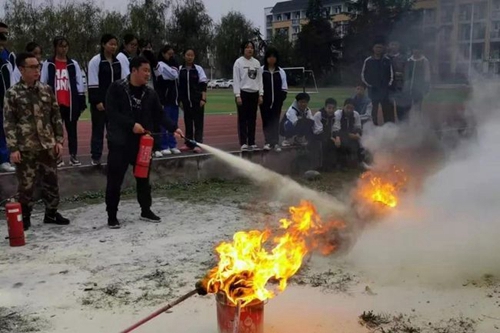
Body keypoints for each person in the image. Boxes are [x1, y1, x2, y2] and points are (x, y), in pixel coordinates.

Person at [104, 56, 184, 229]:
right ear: (134, 70)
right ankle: (112, 215)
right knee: (115, 179)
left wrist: (174, 128)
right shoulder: (116, 88)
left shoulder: (150, 93)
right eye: (145, 71)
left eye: (149, 71)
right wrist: (131, 125)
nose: (148, 74)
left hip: (142, 144)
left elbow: (160, 114)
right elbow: (112, 113)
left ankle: (146, 210)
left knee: (143, 178)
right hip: (120, 142)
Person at [3, 52, 70, 230]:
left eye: (38, 66)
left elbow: (55, 116)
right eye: (32, 67)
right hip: (26, 147)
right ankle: (25, 217)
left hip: (47, 144)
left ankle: (51, 213)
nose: (36, 70)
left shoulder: (46, 90)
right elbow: (9, 122)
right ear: (21, 69)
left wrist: (59, 140)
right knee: (26, 185)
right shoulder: (12, 93)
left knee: (51, 181)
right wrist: (13, 148)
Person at [41, 36, 86, 167]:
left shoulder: (73, 64)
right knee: (55, 133)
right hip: (55, 105)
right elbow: (43, 82)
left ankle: (73, 156)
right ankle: (58, 158)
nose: (63, 49)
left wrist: (81, 101)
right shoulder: (48, 64)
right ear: (55, 47)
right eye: (61, 46)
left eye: (66, 46)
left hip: (70, 104)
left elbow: (79, 83)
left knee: (72, 131)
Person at [88, 33, 127, 166]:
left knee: (115, 131)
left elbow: (121, 82)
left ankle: (114, 155)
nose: (113, 47)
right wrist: (97, 101)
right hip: (100, 103)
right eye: (110, 44)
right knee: (98, 130)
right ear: (103, 45)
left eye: (115, 44)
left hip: (114, 104)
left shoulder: (117, 62)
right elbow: (93, 82)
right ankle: (96, 157)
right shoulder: (96, 61)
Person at [149, 45, 182, 156]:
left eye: (172, 54)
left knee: (173, 123)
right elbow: (170, 75)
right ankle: (163, 145)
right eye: (169, 54)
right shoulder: (160, 65)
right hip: (164, 99)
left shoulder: (174, 63)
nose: (171, 56)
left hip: (174, 99)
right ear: (163, 53)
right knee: (163, 123)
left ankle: (172, 144)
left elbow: (175, 75)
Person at [233, 40, 263, 151]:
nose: (250, 49)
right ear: (243, 49)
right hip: (243, 93)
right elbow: (236, 80)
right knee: (242, 119)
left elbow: (260, 80)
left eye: (251, 47)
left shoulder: (257, 63)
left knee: (252, 119)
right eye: (247, 47)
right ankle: (243, 142)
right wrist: (237, 95)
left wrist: (261, 94)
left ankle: (252, 141)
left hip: (254, 93)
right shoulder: (238, 62)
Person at [178, 48, 208, 154]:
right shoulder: (180, 69)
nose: (190, 57)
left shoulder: (198, 69)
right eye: (188, 55)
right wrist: (180, 100)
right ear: (184, 56)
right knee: (188, 123)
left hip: (197, 101)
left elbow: (203, 84)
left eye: (192, 55)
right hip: (186, 101)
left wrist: (203, 98)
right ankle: (188, 143)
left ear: (194, 57)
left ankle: (198, 143)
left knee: (198, 123)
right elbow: (179, 87)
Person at [261, 47, 288, 152]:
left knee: (275, 121)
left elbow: (284, 87)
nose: (271, 59)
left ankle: (275, 142)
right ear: (266, 58)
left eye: (274, 57)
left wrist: (280, 99)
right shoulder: (261, 70)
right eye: (269, 56)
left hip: (277, 102)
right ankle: (268, 142)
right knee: (266, 121)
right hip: (264, 101)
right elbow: (258, 85)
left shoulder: (281, 71)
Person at [361, 40, 394, 125]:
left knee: (386, 109)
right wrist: (369, 85)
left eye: (380, 47)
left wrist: (388, 85)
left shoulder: (387, 60)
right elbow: (363, 74)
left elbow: (391, 74)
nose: (378, 49)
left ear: (383, 49)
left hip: (384, 90)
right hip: (373, 90)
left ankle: (388, 127)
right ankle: (374, 126)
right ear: (373, 48)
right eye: (377, 47)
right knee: (373, 110)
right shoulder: (368, 61)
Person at [331, 99, 362, 168]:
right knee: (341, 143)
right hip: (340, 135)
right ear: (343, 107)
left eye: (351, 108)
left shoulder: (356, 114)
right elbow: (336, 129)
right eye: (347, 107)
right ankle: (340, 162)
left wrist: (357, 134)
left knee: (360, 143)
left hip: (352, 135)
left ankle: (359, 160)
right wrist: (348, 135)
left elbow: (358, 127)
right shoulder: (338, 114)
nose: (349, 110)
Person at [0, 32, 15, 173]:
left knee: (3, 132)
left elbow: (11, 83)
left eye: (3, 46)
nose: (1, 48)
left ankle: (4, 160)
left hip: (3, 102)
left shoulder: (7, 63)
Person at [387, 40, 411, 122]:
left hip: (400, 85)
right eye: (392, 44)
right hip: (388, 86)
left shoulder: (404, 58)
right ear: (389, 46)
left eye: (395, 44)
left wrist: (405, 81)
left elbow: (407, 72)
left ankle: (402, 124)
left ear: (399, 46)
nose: (394, 46)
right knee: (389, 106)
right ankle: (391, 125)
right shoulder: (385, 58)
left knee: (400, 106)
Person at [404, 45, 431, 115]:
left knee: (418, 105)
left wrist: (426, 86)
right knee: (407, 105)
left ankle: (417, 121)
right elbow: (406, 73)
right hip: (409, 87)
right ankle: (407, 121)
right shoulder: (409, 60)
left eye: (418, 49)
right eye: (414, 49)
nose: (416, 51)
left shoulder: (424, 61)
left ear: (421, 51)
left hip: (419, 87)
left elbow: (427, 74)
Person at [313, 98, 337, 171]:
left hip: (327, 136)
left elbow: (334, 128)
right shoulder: (319, 115)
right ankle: (321, 165)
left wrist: (336, 137)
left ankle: (332, 164)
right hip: (317, 136)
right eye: (329, 108)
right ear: (325, 107)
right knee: (325, 143)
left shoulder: (334, 117)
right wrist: (331, 138)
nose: (331, 110)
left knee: (336, 143)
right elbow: (318, 130)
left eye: (333, 108)